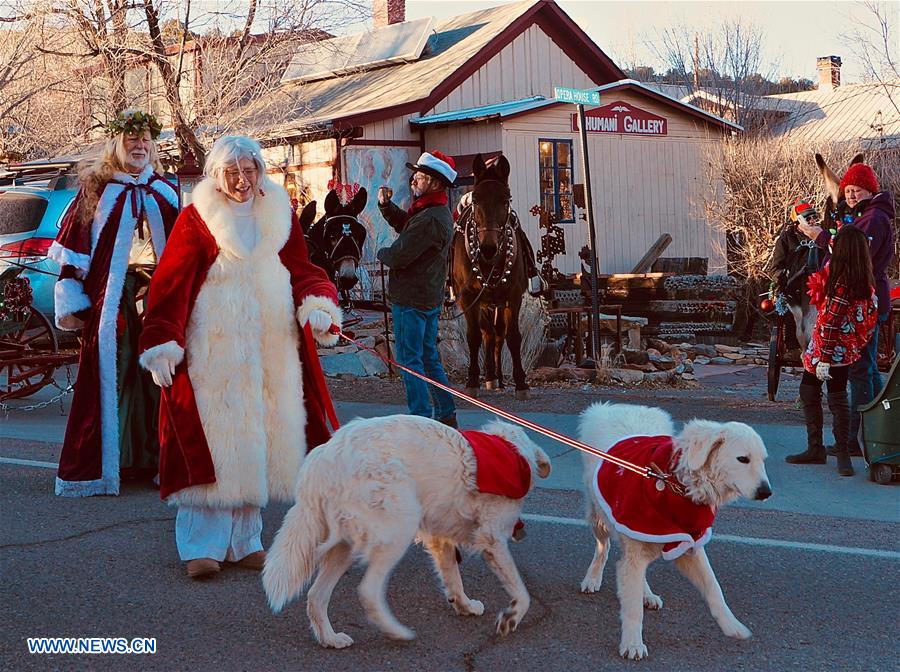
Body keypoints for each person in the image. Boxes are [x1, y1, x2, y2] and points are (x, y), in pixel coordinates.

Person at [137, 136, 342, 579]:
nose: (242, 180)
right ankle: (201, 545)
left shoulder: (278, 215)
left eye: (249, 170)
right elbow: (170, 286)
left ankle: (246, 541)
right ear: (217, 174)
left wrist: (319, 307)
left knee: (261, 440)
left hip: (272, 348)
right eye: (232, 171)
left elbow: (304, 271)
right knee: (215, 441)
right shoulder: (196, 220)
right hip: (216, 350)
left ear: (260, 173)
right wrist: (161, 340)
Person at [48, 109, 178, 497]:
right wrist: (74, 302)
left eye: (145, 140)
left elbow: (188, 253)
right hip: (112, 304)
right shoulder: (97, 190)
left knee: (159, 379)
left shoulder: (165, 191)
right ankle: (111, 464)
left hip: (158, 300)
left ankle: (158, 460)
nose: (139, 146)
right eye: (131, 139)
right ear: (117, 145)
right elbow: (74, 253)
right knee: (116, 375)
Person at [797, 162, 895, 455]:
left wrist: (819, 236)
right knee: (867, 370)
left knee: (860, 371)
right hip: (865, 299)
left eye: (857, 190)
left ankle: (854, 441)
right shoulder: (866, 215)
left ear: (870, 190)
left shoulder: (873, 219)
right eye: (848, 191)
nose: (851, 196)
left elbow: (850, 254)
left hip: (859, 302)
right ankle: (872, 431)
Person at [785, 226, 878, 476]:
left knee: (811, 391)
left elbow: (829, 322)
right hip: (844, 351)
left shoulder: (839, 284)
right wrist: (853, 345)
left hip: (826, 350)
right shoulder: (865, 283)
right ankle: (843, 454)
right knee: (838, 397)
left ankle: (816, 448)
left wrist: (823, 358)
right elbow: (869, 319)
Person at [376, 150, 458, 428]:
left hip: (411, 299)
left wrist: (382, 253)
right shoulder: (431, 212)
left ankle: (421, 419)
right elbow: (409, 229)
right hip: (427, 297)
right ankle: (446, 413)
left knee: (410, 361)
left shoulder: (430, 218)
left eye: (420, 177)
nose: (414, 180)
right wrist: (387, 208)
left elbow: (400, 253)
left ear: (435, 183)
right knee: (428, 357)